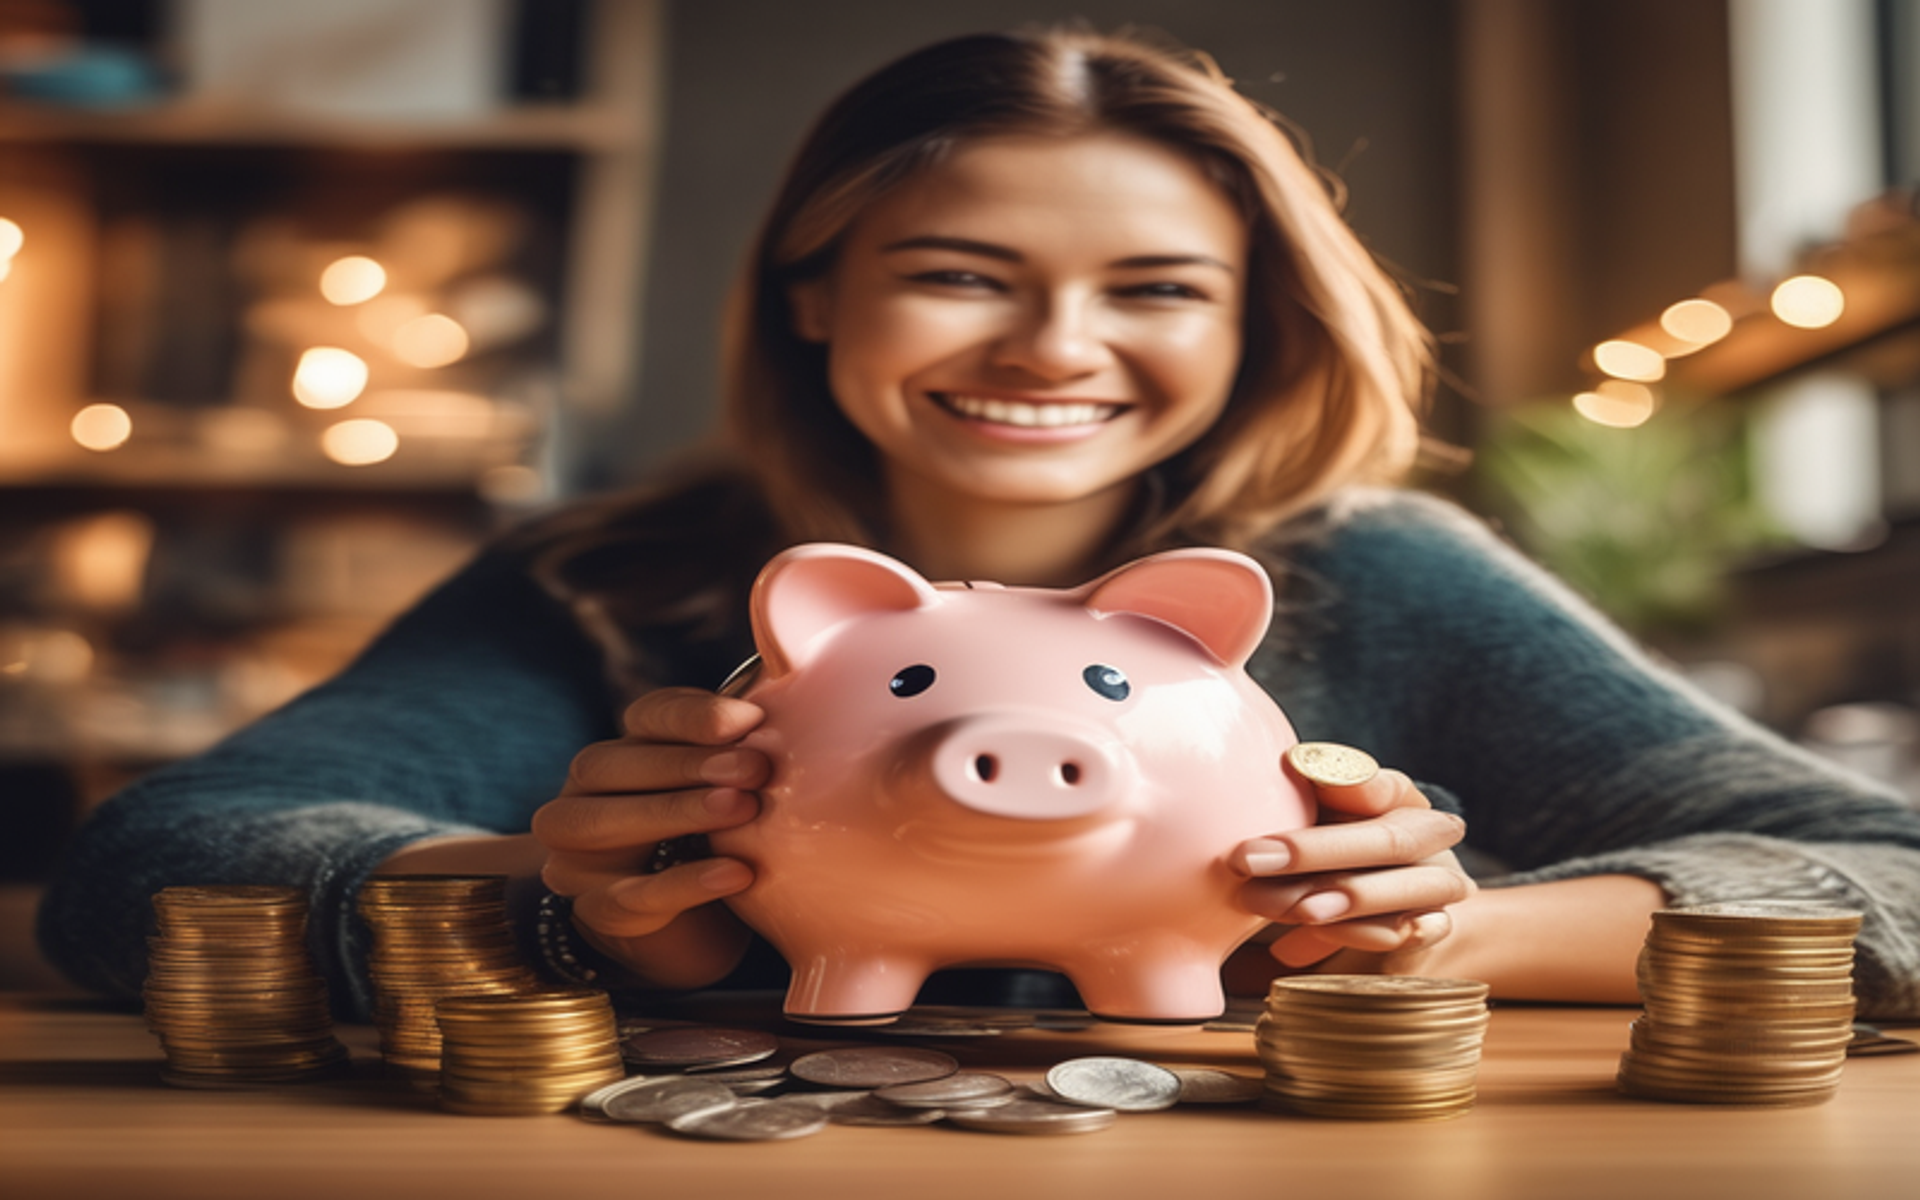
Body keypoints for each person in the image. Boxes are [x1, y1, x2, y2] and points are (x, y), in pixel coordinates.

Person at [38, 27, 1920, 1021]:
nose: (1055, 347)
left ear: (1250, 322)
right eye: (960, 271)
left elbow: (1895, 877)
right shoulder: (605, 589)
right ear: (810, 288)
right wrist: (572, 897)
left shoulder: (1380, 575)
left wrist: (1440, 940)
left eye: (1157, 289)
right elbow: (160, 863)